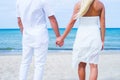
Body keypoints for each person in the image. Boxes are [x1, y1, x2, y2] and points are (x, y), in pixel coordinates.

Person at [56, 0, 105, 80]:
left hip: (82, 36)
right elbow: (102, 23)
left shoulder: (79, 5)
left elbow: (71, 23)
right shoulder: (100, 5)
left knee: (82, 64)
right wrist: (102, 40)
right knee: (94, 66)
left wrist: (62, 38)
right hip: (94, 36)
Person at [16, 0, 63, 80]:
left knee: (25, 62)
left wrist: (24, 34)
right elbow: (52, 19)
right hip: (40, 35)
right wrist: (58, 36)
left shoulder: (19, 1)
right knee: (39, 64)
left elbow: (19, 21)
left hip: (26, 35)